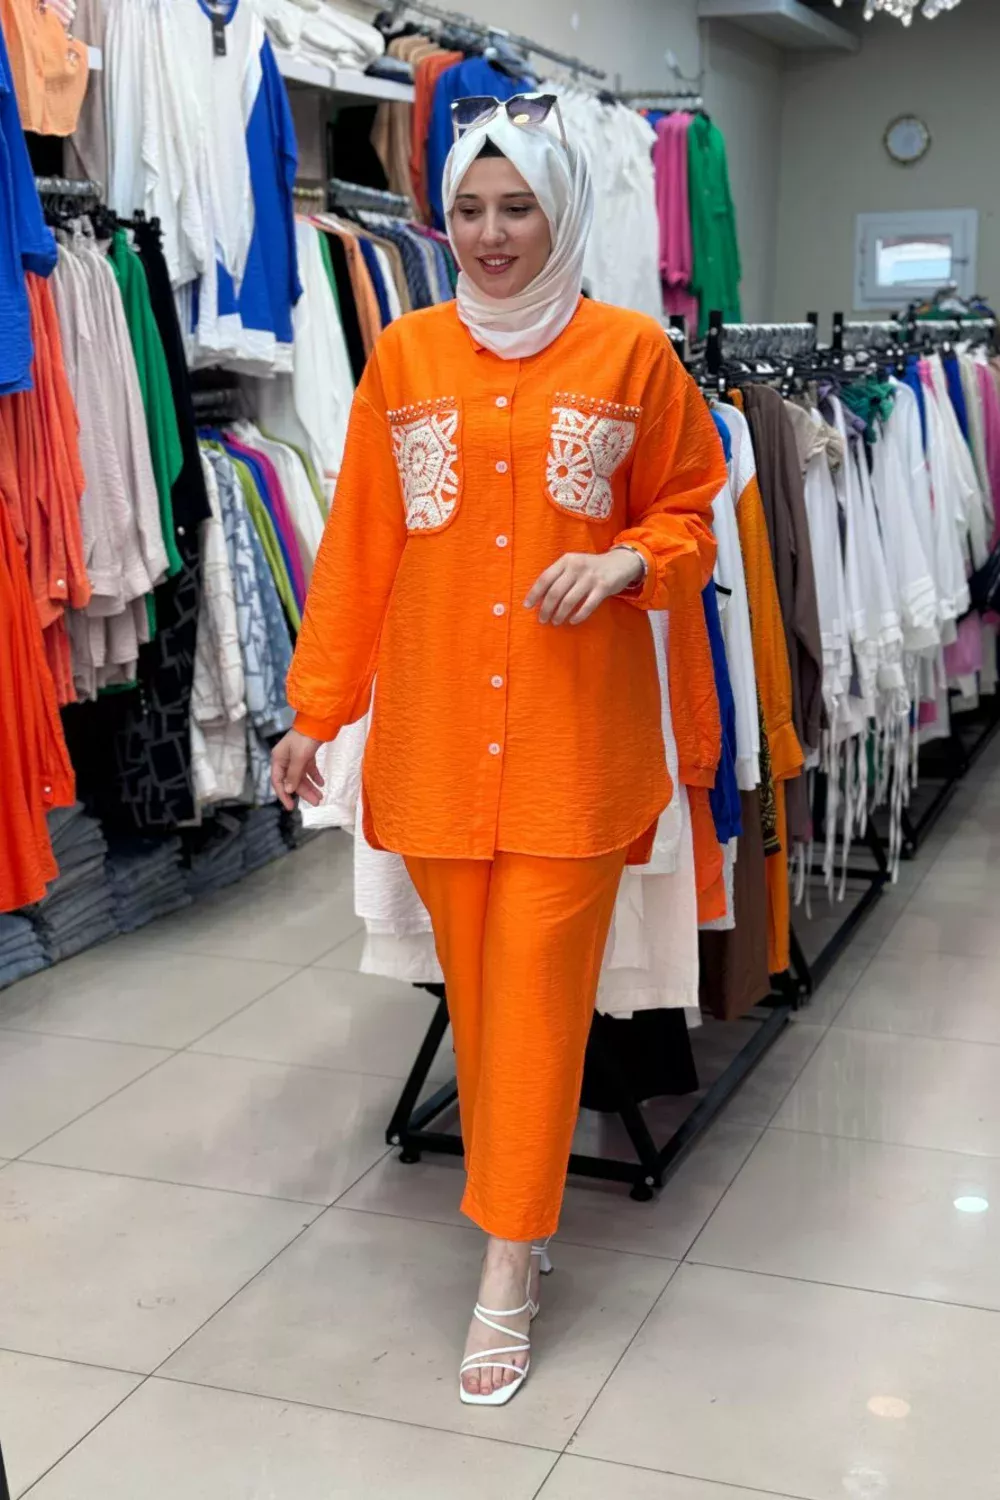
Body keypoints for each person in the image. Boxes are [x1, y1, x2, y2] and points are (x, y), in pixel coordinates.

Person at [271, 93, 727, 1407]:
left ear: (560, 211)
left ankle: (507, 1268)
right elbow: (361, 545)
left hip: (574, 751)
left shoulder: (633, 353)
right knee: (482, 1004)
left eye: (515, 206)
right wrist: (315, 711)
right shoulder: (405, 354)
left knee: (531, 1000)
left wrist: (630, 560)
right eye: (467, 209)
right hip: (433, 750)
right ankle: (517, 1211)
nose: (488, 233)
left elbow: (696, 505)